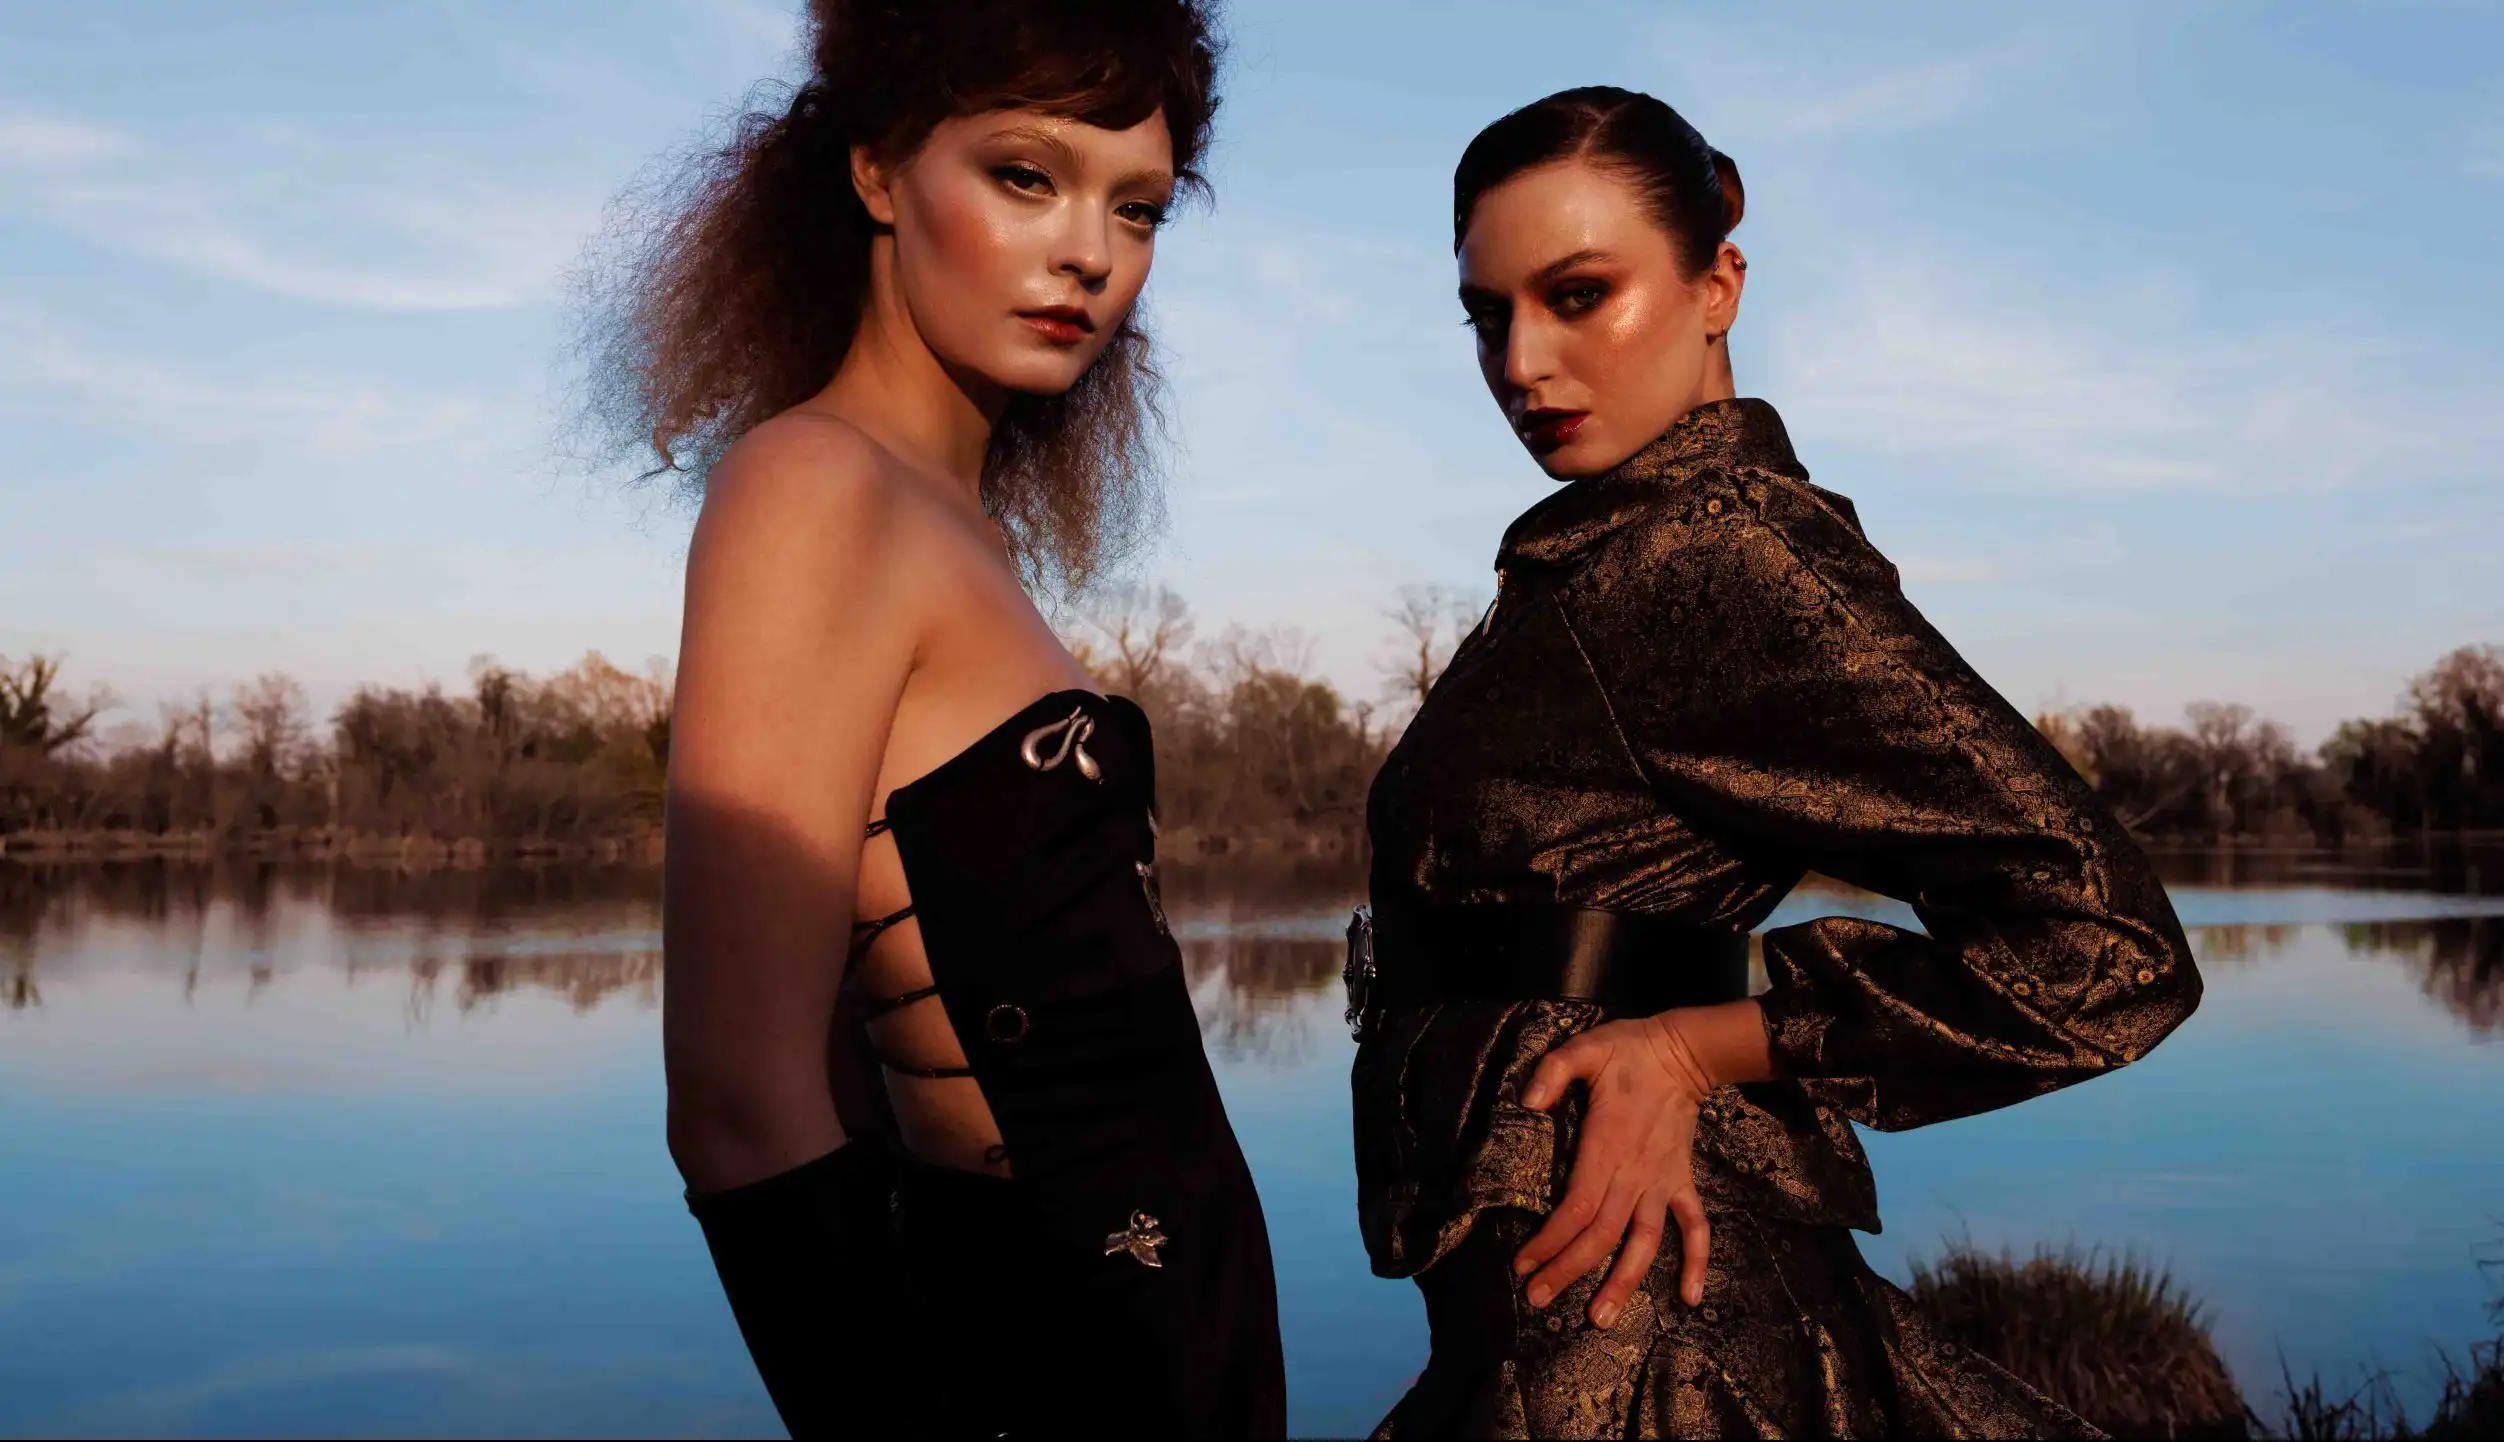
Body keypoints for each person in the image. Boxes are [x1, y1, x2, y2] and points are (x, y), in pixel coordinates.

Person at [1348, 86, 2202, 1438]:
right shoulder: (1604, 556)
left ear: (1718, 287)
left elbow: (2106, 945)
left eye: (1579, 294)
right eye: (1487, 315)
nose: (1522, 361)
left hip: (1642, 1340)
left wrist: (1692, 1049)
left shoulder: (1720, 556)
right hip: (1568, 1313)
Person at [581, 1, 1284, 1435]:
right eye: (1026, 176)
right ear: (878, 170)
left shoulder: (952, 520)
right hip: (1063, 1367)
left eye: (1137, 207)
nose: (1090, 253)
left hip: (1179, 1335)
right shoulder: (815, 486)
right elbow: (738, 1100)